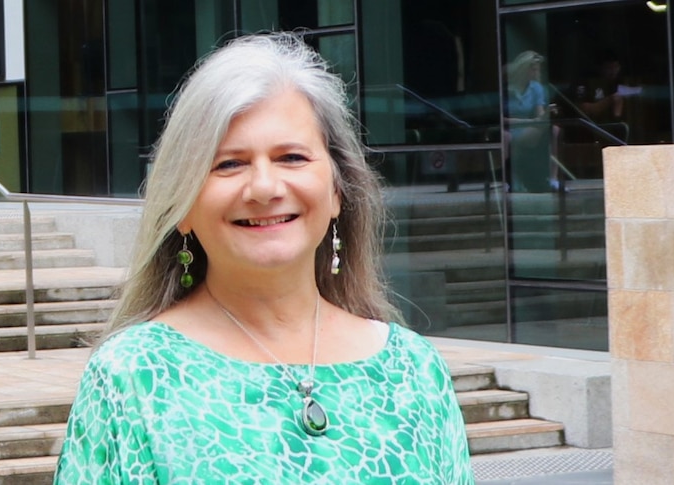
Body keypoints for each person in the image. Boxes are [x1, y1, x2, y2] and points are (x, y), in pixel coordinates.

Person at [53, 33, 474, 484]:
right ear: (184, 207)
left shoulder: (413, 371)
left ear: (337, 192)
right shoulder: (132, 378)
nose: (265, 188)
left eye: (291, 157)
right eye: (229, 164)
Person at [503, 50, 562, 192]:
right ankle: (507, 180)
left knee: (554, 129)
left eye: (537, 70)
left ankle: (553, 178)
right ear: (524, 69)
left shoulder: (536, 88)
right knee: (505, 136)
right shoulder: (507, 88)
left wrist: (546, 114)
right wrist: (528, 121)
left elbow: (539, 116)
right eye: (533, 69)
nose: (536, 73)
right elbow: (501, 118)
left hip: (528, 128)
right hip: (510, 128)